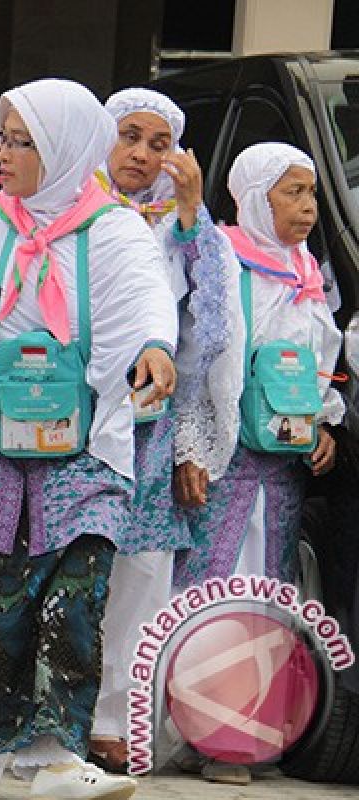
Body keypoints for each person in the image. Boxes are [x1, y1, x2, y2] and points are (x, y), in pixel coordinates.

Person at [0, 78, 178, 799]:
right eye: (2, 137)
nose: (3, 153)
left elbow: (145, 293)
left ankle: (51, 754)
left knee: (74, 587)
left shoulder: (115, 229)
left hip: (80, 444)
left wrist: (152, 346)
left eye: (25, 142)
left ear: (65, 151)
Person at [172, 142, 342, 785]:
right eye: (293, 192)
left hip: (281, 471)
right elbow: (197, 355)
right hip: (226, 464)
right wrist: (190, 447)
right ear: (255, 196)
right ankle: (204, 734)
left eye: (312, 194)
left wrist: (325, 420)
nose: (307, 208)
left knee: (267, 600)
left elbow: (317, 355)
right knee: (212, 593)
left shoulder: (305, 270)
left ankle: (236, 739)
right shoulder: (226, 260)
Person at [88, 87, 245, 775]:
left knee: (143, 575)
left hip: (151, 426)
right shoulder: (71, 207)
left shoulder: (194, 231)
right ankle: (46, 709)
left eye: (160, 144)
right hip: (74, 417)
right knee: (68, 566)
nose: (142, 156)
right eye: (130, 137)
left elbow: (208, 337)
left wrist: (187, 219)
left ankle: (111, 721)